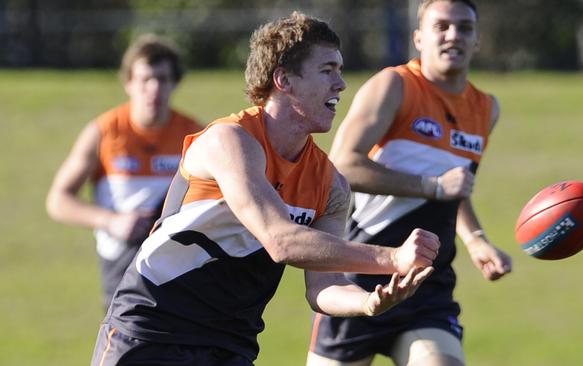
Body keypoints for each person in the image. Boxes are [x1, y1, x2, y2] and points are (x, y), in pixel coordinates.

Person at [90, 12, 441, 366]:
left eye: (340, 70)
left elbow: (323, 287)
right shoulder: (229, 141)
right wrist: (391, 258)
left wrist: (367, 302)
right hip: (151, 331)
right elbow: (281, 240)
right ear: (284, 79)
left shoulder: (331, 185)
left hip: (231, 346)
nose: (341, 84)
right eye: (327, 70)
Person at [307, 1, 513, 365]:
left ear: (478, 40)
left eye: (465, 28)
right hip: (362, 274)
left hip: (428, 285)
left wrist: (477, 239)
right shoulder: (395, 85)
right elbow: (342, 165)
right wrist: (431, 186)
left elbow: (456, 185)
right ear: (419, 37)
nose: (453, 35)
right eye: (441, 26)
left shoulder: (485, 108)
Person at [46, 33, 202, 309]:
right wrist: (111, 221)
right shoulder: (104, 132)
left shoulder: (195, 136)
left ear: (175, 83)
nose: (153, 88)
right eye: (145, 79)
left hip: (179, 267)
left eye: (162, 79)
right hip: (121, 266)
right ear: (129, 83)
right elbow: (58, 201)